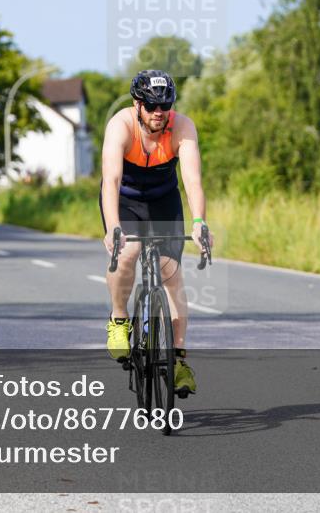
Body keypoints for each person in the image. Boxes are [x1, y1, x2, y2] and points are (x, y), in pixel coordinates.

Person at [100, 70, 212, 397]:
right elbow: (111, 181)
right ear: (137, 104)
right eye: (151, 106)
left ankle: (178, 359)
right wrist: (114, 227)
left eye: (165, 105)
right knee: (128, 253)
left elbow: (192, 181)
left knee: (171, 273)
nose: (158, 112)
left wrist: (200, 222)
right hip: (125, 201)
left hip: (163, 200)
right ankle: (119, 319)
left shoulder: (183, 127)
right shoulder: (120, 126)